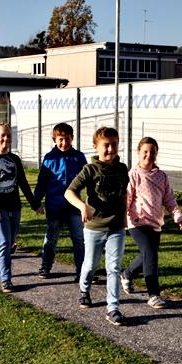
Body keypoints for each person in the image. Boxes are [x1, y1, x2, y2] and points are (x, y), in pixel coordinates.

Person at [64, 126, 129, 326]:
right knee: (91, 265)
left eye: (114, 145)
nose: (110, 149)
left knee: (114, 267)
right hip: (94, 227)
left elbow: (124, 195)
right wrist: (82, 206)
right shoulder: (90, 169)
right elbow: (69, 192)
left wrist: (125, 217)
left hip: (116, 227)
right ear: (96, 147)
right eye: (106, 145)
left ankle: (113, 308)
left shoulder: (122, 169)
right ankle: (84, 290)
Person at [120, 137, 182, 309]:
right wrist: (122, 218)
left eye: (152, 152)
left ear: (157, 154)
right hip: (137, 221)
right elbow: (127, 198)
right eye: (145, 152)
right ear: (138, 152)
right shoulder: (134, 174)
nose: (149, 155)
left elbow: (169, 199)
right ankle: (154, 294)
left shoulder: (161, 176)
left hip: (155, 223)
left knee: (147, 254)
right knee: (151, 254)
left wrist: (178, 216)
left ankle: (127, 274)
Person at [0, 123, 42, 292]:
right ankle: (6, 279)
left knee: (10, 243)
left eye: (8, 135)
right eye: (2, 135)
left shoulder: (14, 159)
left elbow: (23, 183)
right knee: (3, 243)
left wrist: (34, 204)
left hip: (14, 206)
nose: (6, 138)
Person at [34, 122, 88, 280]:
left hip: (74, 207)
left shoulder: (78, 157)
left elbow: (88, 179)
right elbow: (42, 182)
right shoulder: (49, 158)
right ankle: (45, 266)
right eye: (60, 139)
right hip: (54, 206)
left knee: (78, 239)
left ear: (73, 138)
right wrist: (36, 202)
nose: (64, 143)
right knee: (51, 238)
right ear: (54, 139)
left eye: (68, 139)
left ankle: (81, 270)